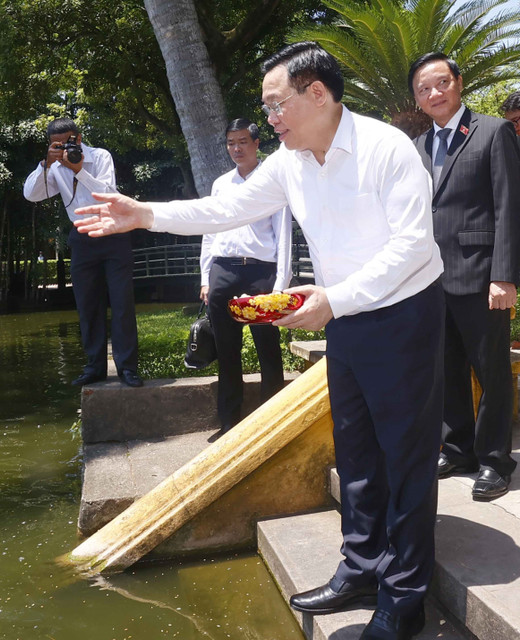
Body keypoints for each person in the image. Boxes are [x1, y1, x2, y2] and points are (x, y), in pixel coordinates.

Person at [74, 42, 444, 640]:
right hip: (344, 315)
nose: (269, 119)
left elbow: (413, 248)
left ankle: (404, 600)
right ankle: (360, 567)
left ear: (317, 93)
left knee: (403, 456)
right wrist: (144, 214)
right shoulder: (291, 161)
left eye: (276, 105)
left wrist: (333, 300)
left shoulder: (386, 148)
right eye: (267, 108)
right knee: (354, 451)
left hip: (403, 313)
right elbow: (227, 208)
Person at [410, 53, 520, 501]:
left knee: (491, 371)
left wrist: (505, 275)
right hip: (431, 278)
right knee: (445, 369)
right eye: (424, 89)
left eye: (441, 83)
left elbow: (509, 205)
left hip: (481, 276)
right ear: (416, 99)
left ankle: (495, 460)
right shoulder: (416, 146)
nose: (434, 93)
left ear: (458, 82)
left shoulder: (493, 132)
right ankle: (458, 448)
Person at [23, 118, 142, 387]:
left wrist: (78, 170)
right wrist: (46, 163)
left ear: (78, 137)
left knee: (122, 304)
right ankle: (94, 367)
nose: (65, 146)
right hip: (82, 238)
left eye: (69, 140)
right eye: (58, 143)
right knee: (88, 305)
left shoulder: (100, 156)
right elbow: (31, 195)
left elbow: (109, 193)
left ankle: (128, 369)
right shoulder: (54, 167)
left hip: (113, 232)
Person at [200, 118, 292, 433]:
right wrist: (205, 277)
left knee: (267, 347)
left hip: (260, 272)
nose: (236, 148)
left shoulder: (273, 180)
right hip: (223, 270)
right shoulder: (221, 184)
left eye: (242, 142)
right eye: (231, 143)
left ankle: (273, 420)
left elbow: (283, 235)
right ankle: (229, 421)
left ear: (256, 144)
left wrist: (281, 284)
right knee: (227, 349)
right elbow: (210, 231)